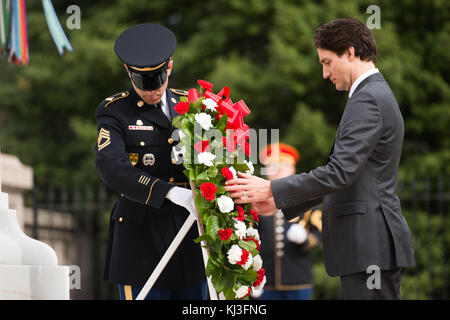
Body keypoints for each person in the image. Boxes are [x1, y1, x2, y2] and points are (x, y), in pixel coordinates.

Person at [225, 17, 416, 300]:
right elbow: (348, 177)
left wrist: (271, 189)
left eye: (327, 62)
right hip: (369, 245)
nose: (325, 74)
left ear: (350, 52)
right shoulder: (371, 94)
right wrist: (278, 200)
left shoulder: (368, 98)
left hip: (368, 245)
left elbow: (340, 172)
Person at [94, 23, 206, 300]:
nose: (151, 91)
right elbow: (111, 166)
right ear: (127, 72)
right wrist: (168, 191)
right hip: (141, 241)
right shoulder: (115, 110)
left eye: (157, 81)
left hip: (190, 235)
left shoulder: (192, 105)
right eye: (141, 83)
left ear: (169, 67)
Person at [254, 143, 322, 300]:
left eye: (282, 166)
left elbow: (318, 236)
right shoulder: (257, 203)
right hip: (266, 282)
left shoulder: (307, 201)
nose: (277, 171)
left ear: (292, 169)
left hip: (298, 280)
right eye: (273, 167)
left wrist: (306, 239)